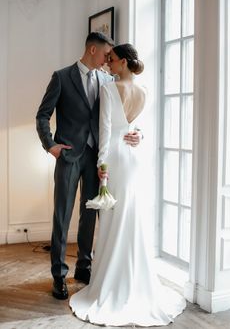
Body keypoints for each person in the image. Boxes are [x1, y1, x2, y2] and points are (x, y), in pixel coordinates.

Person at [69, 44, 186, 326]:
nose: (107, 64)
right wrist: (140, 136)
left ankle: (112, 280)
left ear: (122, 62)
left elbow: (106, 130)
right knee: (131, 217)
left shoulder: (110, 89)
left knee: (112, 219)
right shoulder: (144, 91)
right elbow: (139, 129)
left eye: (111, 60)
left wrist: (102, 167)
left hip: (117, 159)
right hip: (134, 158)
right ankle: (134, 279)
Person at [36, 32, 141, 300]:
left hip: (97, 158)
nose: (108, 60)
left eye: (112, 57)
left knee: (90, 214)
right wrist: (51, 145)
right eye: (106, 54)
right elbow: (43, 114)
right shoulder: (61, 77)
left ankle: (84, 267)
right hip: (69, 155)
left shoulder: (109, 80)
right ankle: (59, 275)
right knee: (62, 214)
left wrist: (139, 134)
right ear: (92, 49)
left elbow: (126, 115)